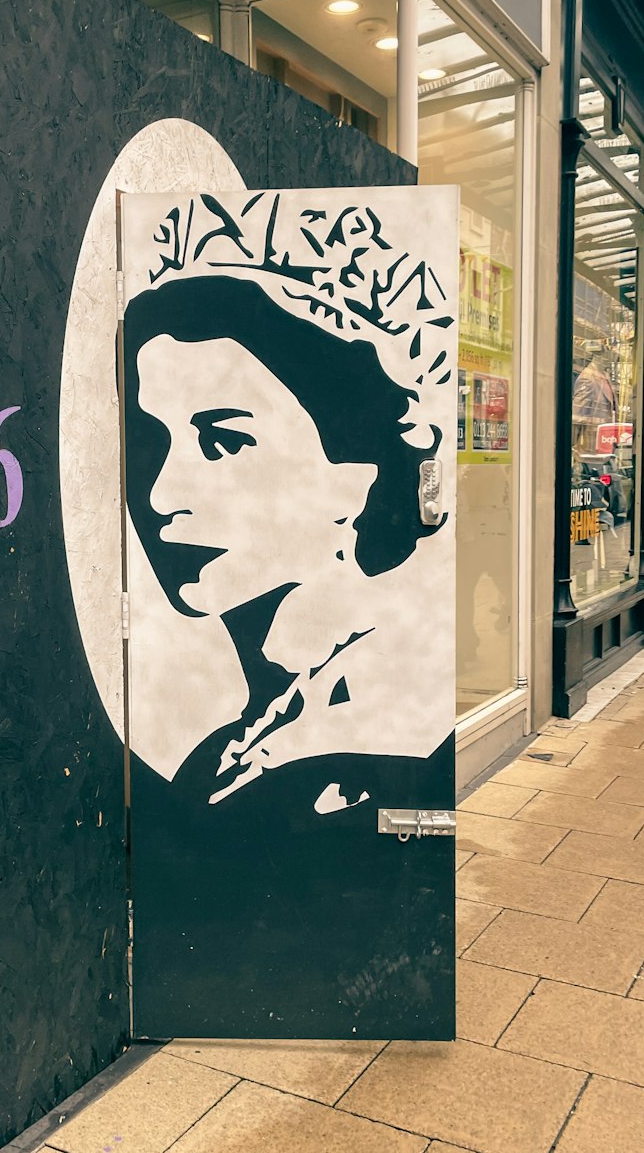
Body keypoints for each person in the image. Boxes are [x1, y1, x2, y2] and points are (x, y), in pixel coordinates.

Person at [118, 193, 457, 1037]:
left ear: (358, 474)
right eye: (151, 442)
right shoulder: (236, 737)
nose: (160, 496)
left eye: (223, 440)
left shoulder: (385, 748)